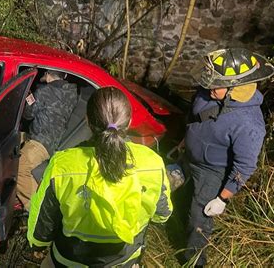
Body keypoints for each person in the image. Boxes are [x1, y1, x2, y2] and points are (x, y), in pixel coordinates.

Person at [27, 87, 173, 267]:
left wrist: (38, 244)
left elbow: (42, 222)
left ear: (88, 121)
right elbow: (162, 214)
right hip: (124, 259)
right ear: (128, 123)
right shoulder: (153, 163)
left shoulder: (62, 165)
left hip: (70, 261)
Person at [184, 48, 274, 266]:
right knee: (183, 201)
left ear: (235, 88)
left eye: (216, 84)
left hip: (211, 171)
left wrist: (222, 198)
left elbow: (245, 166)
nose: (208, 87)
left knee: (198, 220)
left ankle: (195, 261)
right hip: (189, 157)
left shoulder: (249, 124)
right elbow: (196, 118)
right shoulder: (212, 91)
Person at [16, 70, 77, 210]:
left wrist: (29, 97)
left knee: (20, 168)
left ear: (48, 74)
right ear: (65, 75)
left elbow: (27, 114)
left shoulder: (44, 92)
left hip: (40, 142)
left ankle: (38, 210)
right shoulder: (72, 93)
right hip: (52, 140)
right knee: (8, 141)